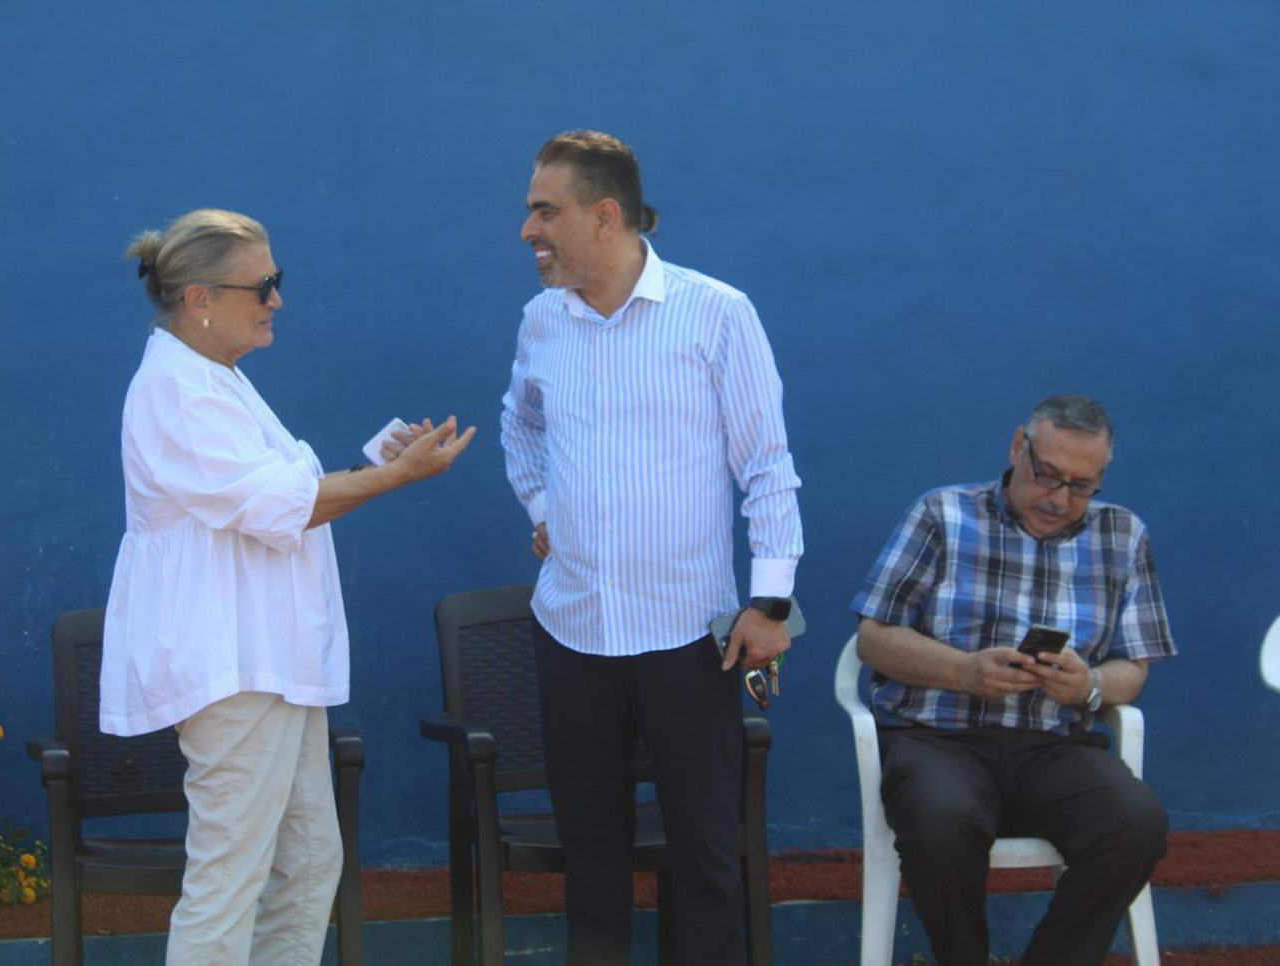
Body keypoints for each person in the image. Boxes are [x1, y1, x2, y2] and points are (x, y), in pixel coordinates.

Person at [100, 208, 474, 965]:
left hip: (267, 661)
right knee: (230, 874)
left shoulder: (214, 380)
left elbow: (277, 491)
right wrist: (396, 476)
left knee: (305, 863)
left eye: (278, 280)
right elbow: (279, 505)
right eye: (263, 285)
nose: (278, 299)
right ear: (200, 298)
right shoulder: (178, 391)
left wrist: (376, 465)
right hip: (232, 665)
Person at [500, 131, 804, 965]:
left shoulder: (717, 314)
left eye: (544, 211)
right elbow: (519, 426)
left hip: (688, 638)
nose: (527, 230)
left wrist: (769, 603)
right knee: (589, 855)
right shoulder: (540, 320)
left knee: (704, 853)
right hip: (572, 631)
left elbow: (766, 465)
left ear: (604, 216)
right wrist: (545, 507)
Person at [850, 394, 1176, 966]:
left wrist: (1088, 686)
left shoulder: (1123, 535)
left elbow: (1134, 669)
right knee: (940, 822)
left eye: (1081, 486)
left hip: (1053, 747)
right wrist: (963, 671)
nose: (1059, 499)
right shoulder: (942, 514)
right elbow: (874, 639)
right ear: (1017, 447)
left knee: (1136, 823)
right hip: (938, 739)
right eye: (1047, 475)